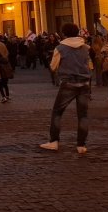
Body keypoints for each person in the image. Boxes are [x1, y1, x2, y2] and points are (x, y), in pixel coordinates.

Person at [40, 23, 93, 155]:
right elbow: (90, 66)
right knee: (83, 115)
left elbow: (53, 66)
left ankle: (54, 141)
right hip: (84, 83)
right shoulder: (86, 47)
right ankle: (81, 145)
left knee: (57, 112)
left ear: (64, 33)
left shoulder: (60, 48)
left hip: (68, 83)